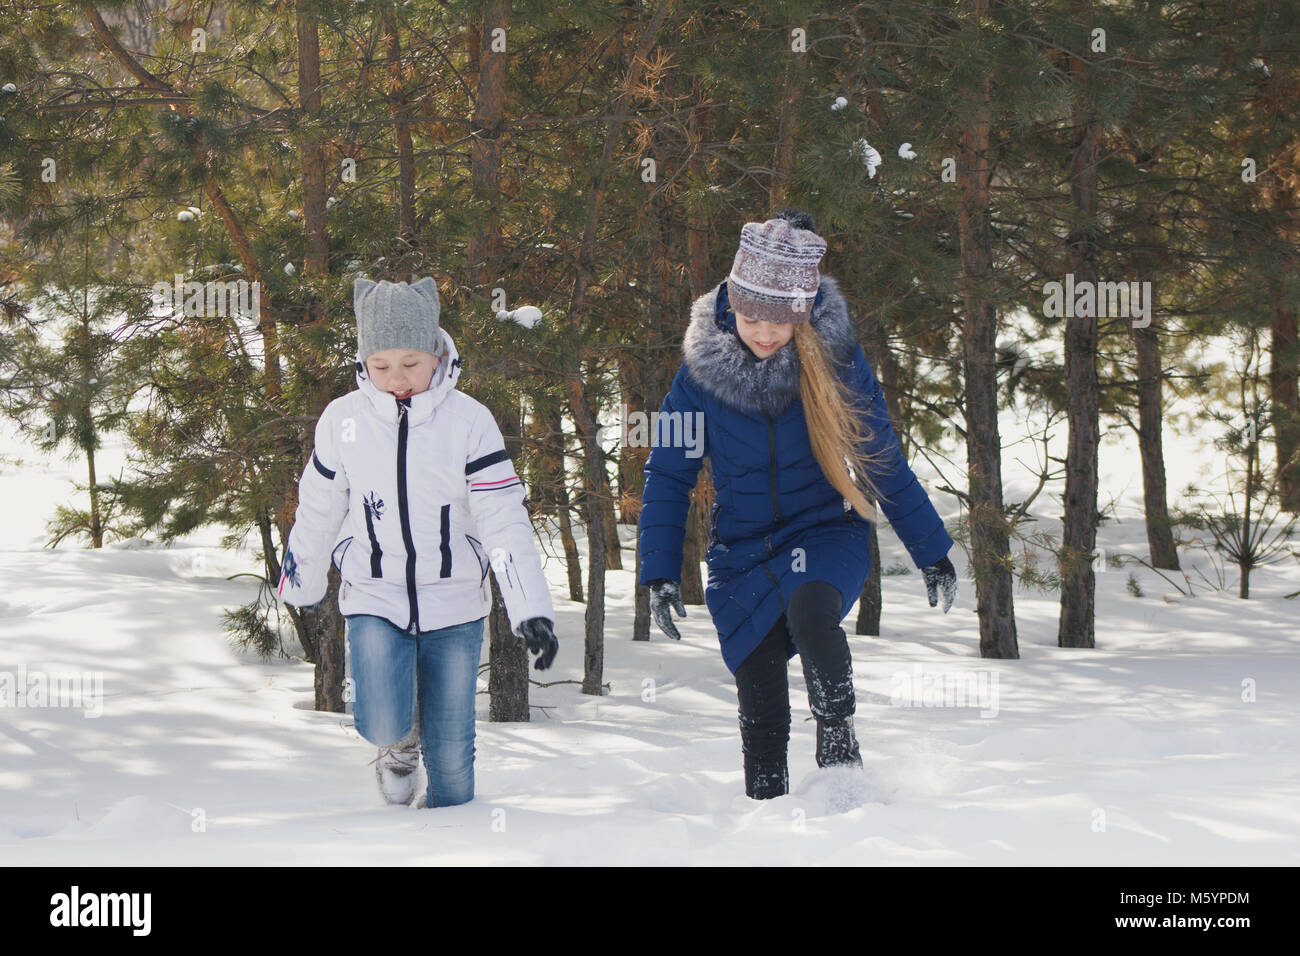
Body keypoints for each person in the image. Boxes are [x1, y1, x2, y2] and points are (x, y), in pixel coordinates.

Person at [638, 210, 958, 800]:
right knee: (758, 688)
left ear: (804, 315)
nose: (763, 333)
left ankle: (840, 761)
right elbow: (668, 475)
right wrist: (657, 572)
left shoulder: (836, 365)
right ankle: (768, 812)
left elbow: (880, 458)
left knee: (813, 616)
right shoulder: (697, 379)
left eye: (779, 322)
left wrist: (931, 549)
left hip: (823, 534)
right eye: (752, 317)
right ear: (732, 304)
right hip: (741, 551)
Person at [276, 277, 558, 808]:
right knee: (382, 718)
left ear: (436, 352)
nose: (396, 378)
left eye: (410, 363)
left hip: (454, 602)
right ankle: (398, 745)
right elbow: (318, 507)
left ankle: (453, 848)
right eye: (380, 366)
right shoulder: (343, 421)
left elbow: (503, 519)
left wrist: (529, 609)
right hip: (373, 592)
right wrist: (300, 579)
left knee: (452, 763)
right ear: (363, 362)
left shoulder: (469, 422)